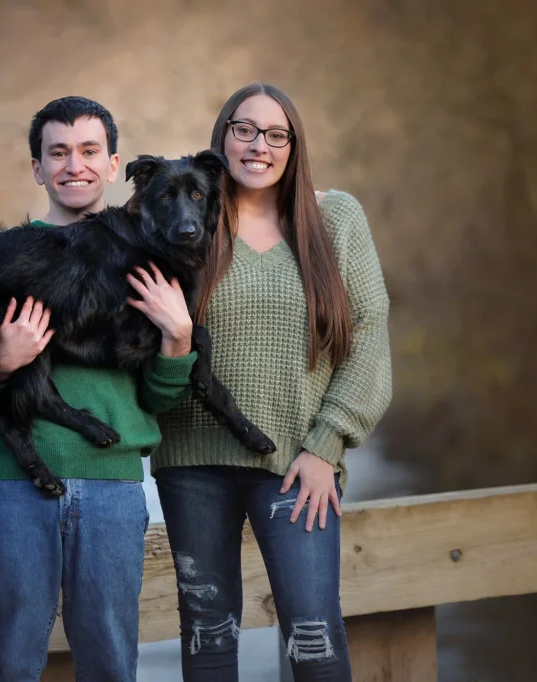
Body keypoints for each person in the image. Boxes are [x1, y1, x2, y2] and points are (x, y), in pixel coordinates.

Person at [154, 83, 393, 681]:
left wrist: (326, 446)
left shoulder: (335, 218)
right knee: (207, 639)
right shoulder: (186, 220)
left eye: (275, 134)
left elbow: (367, 336)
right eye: (244, 130)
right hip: (192, 464)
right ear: (223, 137)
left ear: (293, 145)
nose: (259, 145)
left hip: (298, 466)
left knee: (314, 638)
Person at [0, 96, 198, 682]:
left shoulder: (150, 261)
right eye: (59, 153)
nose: (75, 165)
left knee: (111, 666)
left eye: (90, 151)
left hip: (113, 491)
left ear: (114, 165)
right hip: (14, 491)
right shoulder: (0, 262)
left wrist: (177, 338)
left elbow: (158, 402)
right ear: (38, 168)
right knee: (11, 664)